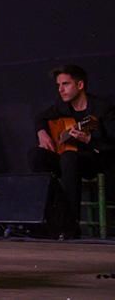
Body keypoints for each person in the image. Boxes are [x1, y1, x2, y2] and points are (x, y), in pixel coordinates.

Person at [29, 64, 115, 238]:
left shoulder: (101, 108)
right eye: (58, 85)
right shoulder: (62, 107)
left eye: (65, 84)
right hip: (69, 162)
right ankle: (48, 218)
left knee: (69, 157)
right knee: (36, 155)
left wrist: (89, 139)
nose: (60, 89)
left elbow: (112, 144)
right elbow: (40, 117)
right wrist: (42, 133)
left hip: (96, 160)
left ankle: (70, 224)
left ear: (80, 85)